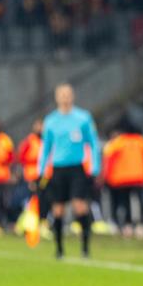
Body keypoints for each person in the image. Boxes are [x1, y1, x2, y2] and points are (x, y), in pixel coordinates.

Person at [38, 83, 101, 259]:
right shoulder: (50, 121)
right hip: (58, 169)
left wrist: (95, 167)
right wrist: (41, 170)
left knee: (79, 206)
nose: (65, 98)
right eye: (62, 95)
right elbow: (46, 148)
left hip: (77, 169)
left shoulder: (83, 118)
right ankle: (59, 249)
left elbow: (94, 144)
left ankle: (85, 248)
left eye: (68, 94)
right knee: (58, 210)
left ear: (72, 96)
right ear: (57, 98)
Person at [102, 118, 143, 238]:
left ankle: (127, 225)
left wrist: (106, 177)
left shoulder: (117, 142)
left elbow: (109, 161)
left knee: (125, 202)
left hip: (121, 178)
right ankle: (141, 225)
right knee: (140, 202)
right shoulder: (142, 141)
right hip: (140, 177)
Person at [17, 118, 51, 232]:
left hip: (45, 175)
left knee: (45, 198)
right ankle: (26, 223)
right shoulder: (29, 141)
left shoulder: (47, 141)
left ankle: (42, 222)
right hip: (32, 175)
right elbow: (21, 158)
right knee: (31, 199)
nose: (40, 129)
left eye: (42, 126)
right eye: (38, 126)